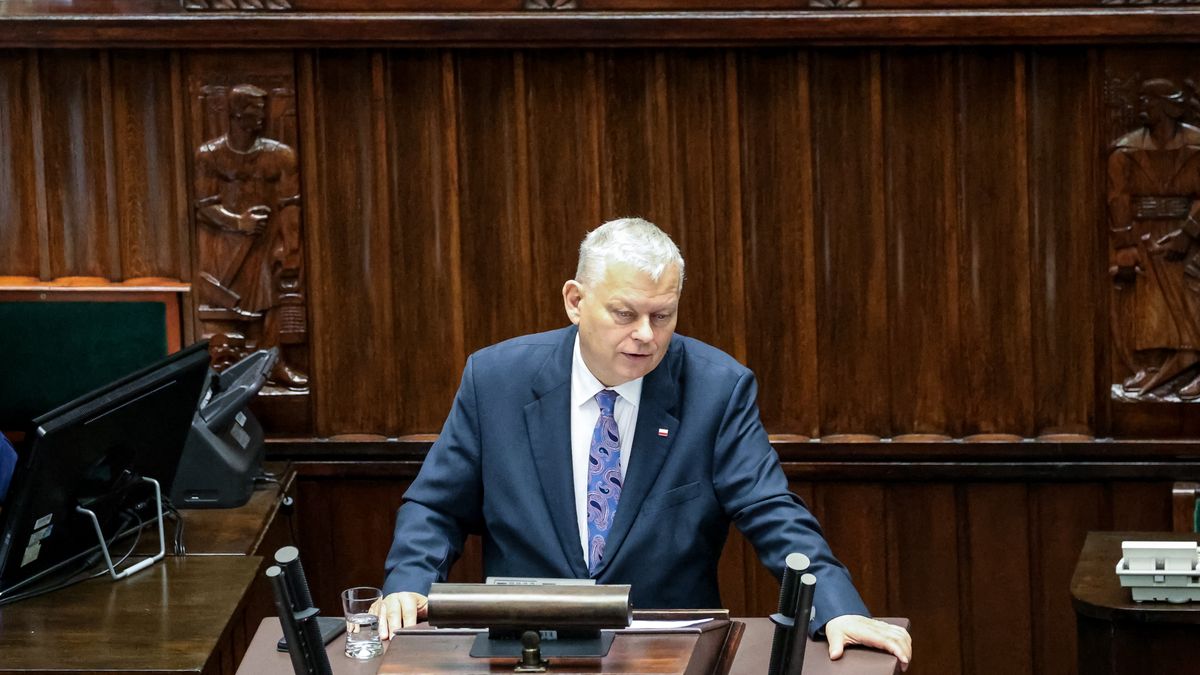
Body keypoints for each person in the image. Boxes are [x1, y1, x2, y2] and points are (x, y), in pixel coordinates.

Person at [375, 217, 912, 668]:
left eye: (663, 315)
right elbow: (436, 506)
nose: (646, 336)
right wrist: (410, 584)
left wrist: (835, 606)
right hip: (524, 648)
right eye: (625, 313)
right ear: (574, 300)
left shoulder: (716, 389)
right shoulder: (496, 380)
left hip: (665, 652)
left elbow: (771, 508)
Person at [194, 83, 308, 389]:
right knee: (227, 311)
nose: (261, 116)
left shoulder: (280, 155)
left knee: (272, 303)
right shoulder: (210, 155)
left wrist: (291, 247)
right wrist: (238, 222)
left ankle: (274, 364)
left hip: (267, 242)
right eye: (253, 110)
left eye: (262, 110)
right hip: (225, 247)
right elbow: (204, 206)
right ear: (235, 113)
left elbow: (290, 206)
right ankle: (225, 372)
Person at [1108, 78, 1200, 399]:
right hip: (1145, 233)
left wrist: (1188, 233)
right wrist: (1125, 246)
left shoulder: (1196, 145)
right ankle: (1153, 365)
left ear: (1167, 105)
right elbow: (1118, 200)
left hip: (1189, 235)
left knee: (1191, 296)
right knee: (1148, 304)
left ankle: (1192, 363)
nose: (1141, 107)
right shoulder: (1126, 150)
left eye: (1148, 101)